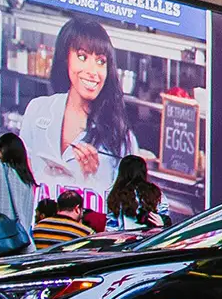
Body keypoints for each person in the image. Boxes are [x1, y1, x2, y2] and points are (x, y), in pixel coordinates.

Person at [19, 20, 138, 195]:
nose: (93, 71)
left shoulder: (121, 137)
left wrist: (91, 179)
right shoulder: (37, 110)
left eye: (100, 61)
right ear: (65, 58)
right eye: (82, 57)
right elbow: (18, 178)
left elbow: (125, 210)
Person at [105, 156, 167, 231]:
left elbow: (111, 227)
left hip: (125, 240)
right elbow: (164, 217)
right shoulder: (156, 193)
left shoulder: (115, 194)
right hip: (152, 239)